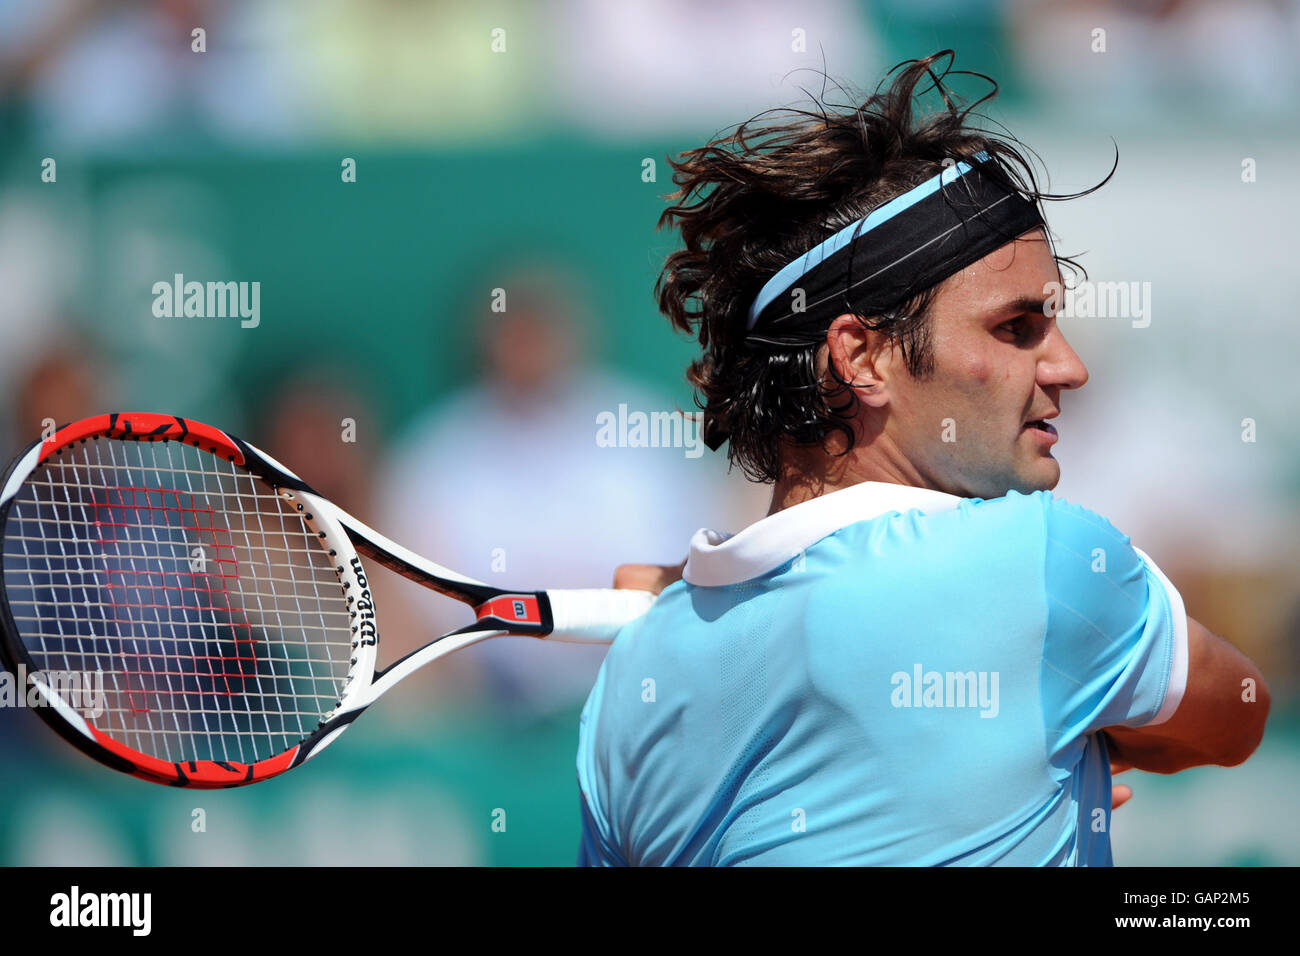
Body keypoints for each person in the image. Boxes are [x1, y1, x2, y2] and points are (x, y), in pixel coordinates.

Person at [577, 52, 1270, 866]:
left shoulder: (627, 692)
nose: (1069, 368)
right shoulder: (1044, 564)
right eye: (1018, 328)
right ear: (861, 358)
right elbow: (1237, 716)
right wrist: (1052, 740)